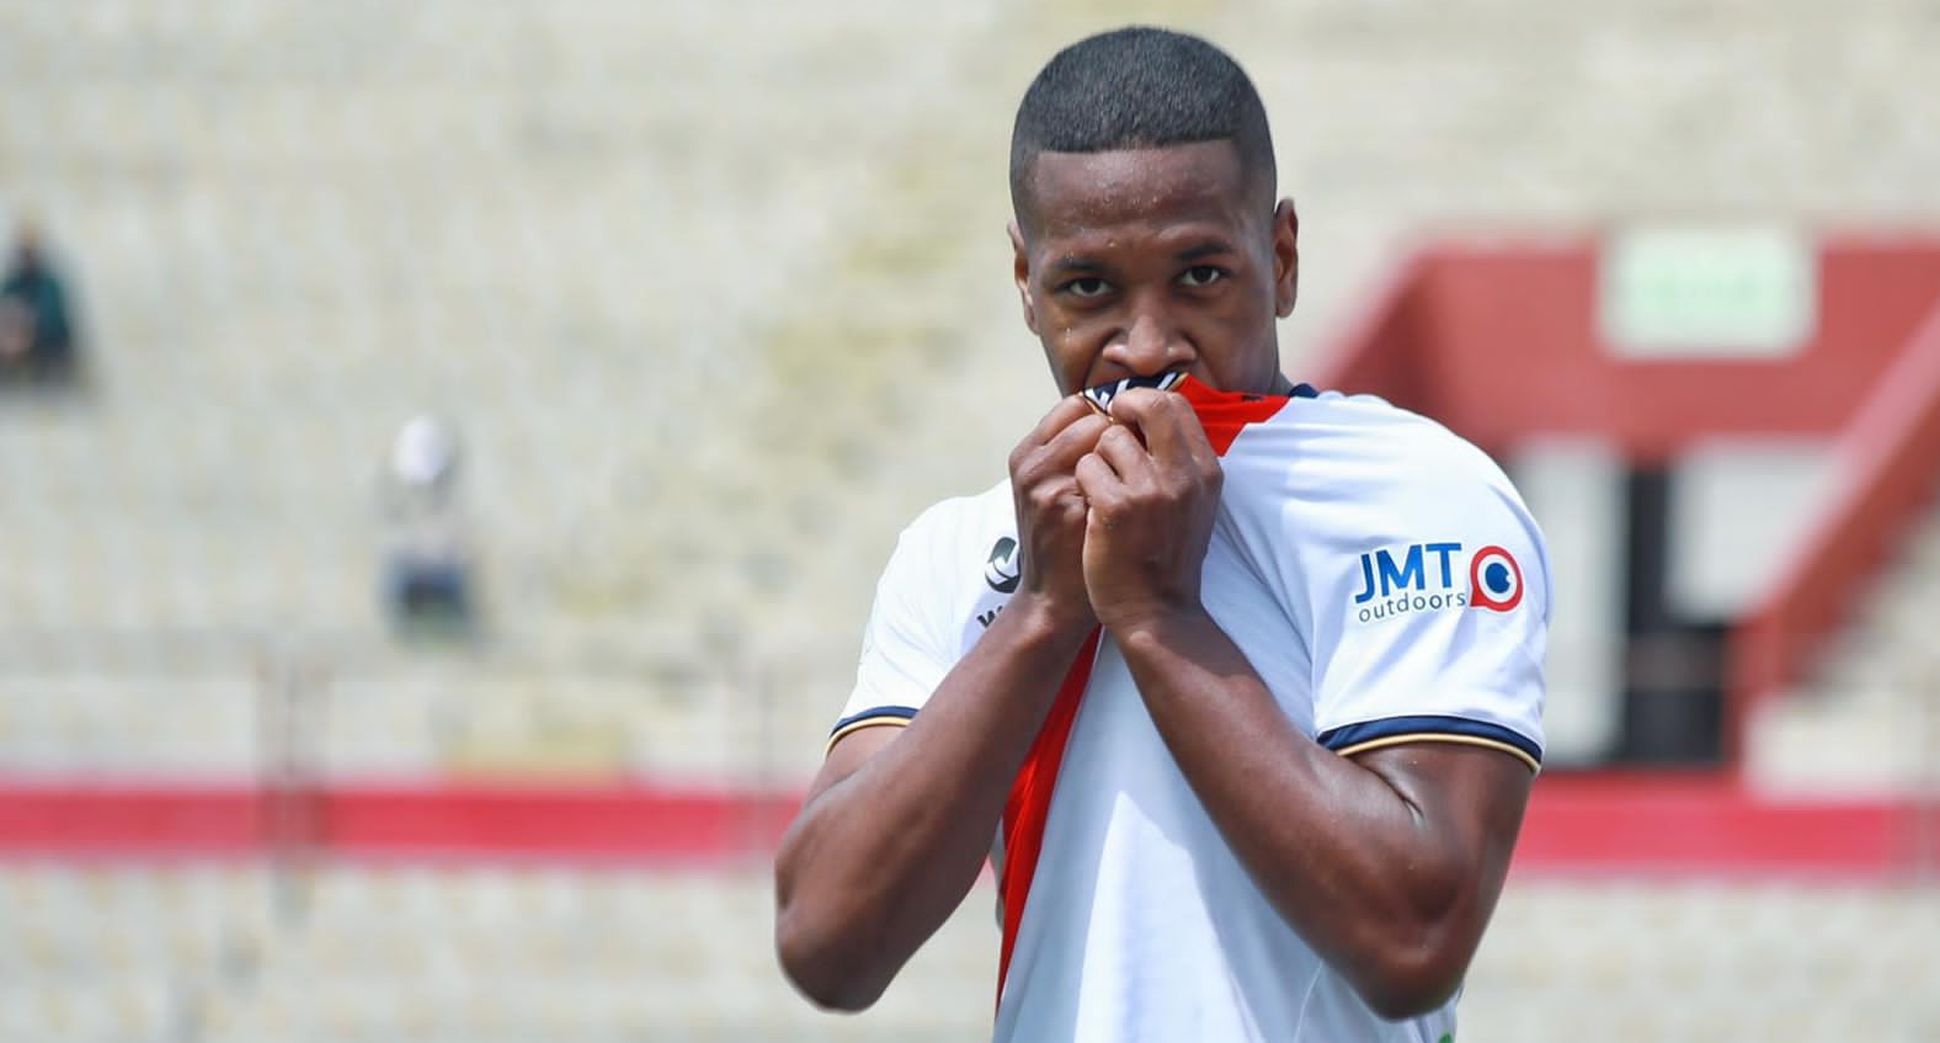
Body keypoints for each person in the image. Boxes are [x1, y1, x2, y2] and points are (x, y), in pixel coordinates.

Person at [774, 26, 1548, 1043]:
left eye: (1199, 276)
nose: (1144, 345)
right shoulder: (959, 548)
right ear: (1022, 281)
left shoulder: (1420, 496)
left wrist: (1152, 614)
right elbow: (827, 941)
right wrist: (1043, 614)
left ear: (1279, 255)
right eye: (1087, 287)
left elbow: (1411, 938)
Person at [0, 221, 83, 385]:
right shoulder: (12, 283)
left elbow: (54, 319)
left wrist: (28, 329)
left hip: (45, 343)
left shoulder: (50, 285)